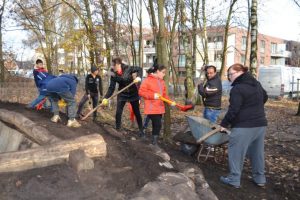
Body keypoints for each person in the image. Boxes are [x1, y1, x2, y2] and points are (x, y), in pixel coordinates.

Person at [219, 63, 268, 188]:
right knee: (257, 153)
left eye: (230, 74)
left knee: (236, 152)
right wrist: (254, 106)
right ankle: (260, 178)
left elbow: (233, 109)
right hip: (260, 124)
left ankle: (234, 179)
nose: (229, 77)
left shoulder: (238, 88)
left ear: (238, 72)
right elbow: (265, 96)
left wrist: (224, 124)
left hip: (244, 126)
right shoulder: (256, 83)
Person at [101, 57, 144, 136]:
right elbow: (111, 88)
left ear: (118, 64)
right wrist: (105, 98)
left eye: (114, 66)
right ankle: (118, 128)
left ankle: (141, 130)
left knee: (136, 112)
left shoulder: (128, 68)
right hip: (122, 93)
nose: (113, 68)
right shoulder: (113, 75)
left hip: (133, 93)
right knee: (118, 112)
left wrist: (139, 77)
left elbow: (139, 69)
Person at [139, 64, 175, 145]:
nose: (164, 74)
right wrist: (153, 96)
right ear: (157, 71)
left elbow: (164, 95)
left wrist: (170, 102)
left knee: (157, 125)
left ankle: (148, 135)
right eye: (163, 72)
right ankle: (154, 143)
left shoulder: (162, 82)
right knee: (158, 124)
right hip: (151, 107)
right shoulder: (148, 80)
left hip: (159, 108)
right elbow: (141, 92)